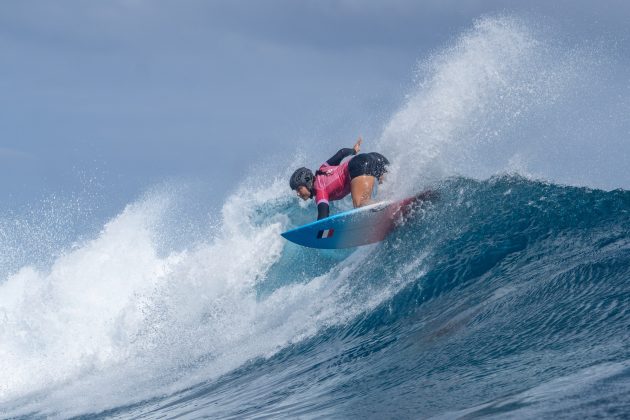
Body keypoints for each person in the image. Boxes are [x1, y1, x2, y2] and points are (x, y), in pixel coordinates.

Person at [289, 137, 390, 220]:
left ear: (307, 181)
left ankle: (389, 207)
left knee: (361, 204)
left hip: (358, 165)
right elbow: (341, 153)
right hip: (374, 157)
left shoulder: (320, 190)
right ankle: (392, 203)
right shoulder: (323, 168)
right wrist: (354, 150)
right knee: (388, 192)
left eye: (299, 189)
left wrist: (319, 235)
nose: (298, 193)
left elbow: (323, 218)